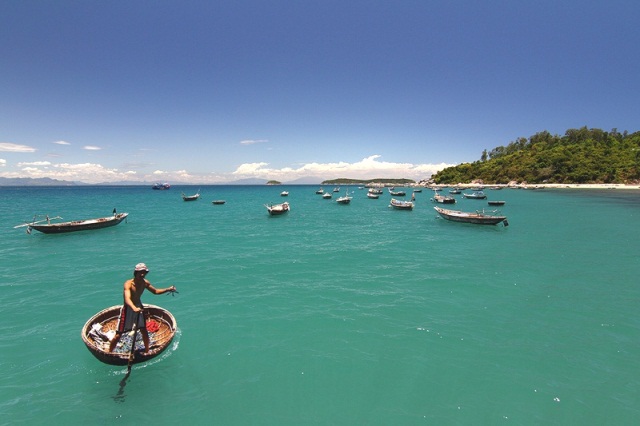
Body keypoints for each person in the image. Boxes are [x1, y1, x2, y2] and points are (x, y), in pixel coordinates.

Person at [108, 263, 176, 354]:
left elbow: (155, 291)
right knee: (118, 334)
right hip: (128, 309)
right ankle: (109, 352)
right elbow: (127, 299)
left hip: (139, 308)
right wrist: (133, 308)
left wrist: (168, 289)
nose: (143, 274)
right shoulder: (128, 284)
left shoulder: (145, 283)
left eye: (144, 272)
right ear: (135, 272)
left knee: (143, 330)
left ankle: (147, 351)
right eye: (140, 272)